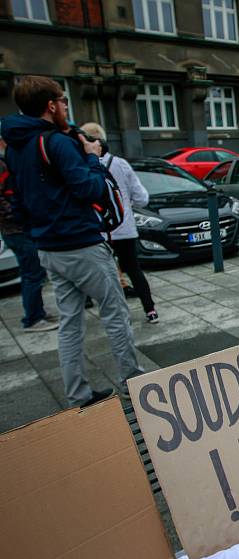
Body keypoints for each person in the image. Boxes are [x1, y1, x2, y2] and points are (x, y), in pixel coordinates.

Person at [3, 76, 144, 407]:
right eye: (63, 100)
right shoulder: (56, 144)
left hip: (48, 247)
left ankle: (78, 394)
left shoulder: (17, 147)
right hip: (80, 243)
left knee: (69, 323)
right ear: (51, 106)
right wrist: (92, 157)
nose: (67, 106)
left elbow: (19, 201)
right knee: (115, 312)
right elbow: (89, 188)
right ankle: (133, 382)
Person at [79, 122, 159, 324]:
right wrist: (127, 202)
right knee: (133, 269)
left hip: (98, 232)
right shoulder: (120, 164)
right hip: (123, 227)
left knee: (105, 276)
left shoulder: (81, 166)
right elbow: (142, 198)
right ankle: (150, 310)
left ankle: (118, 316)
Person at [0, 129, 58, 333]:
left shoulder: (7, 161)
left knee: (33, 271)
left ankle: (37, 312)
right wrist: (20, 215)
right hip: (15, 229)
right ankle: (33, 318)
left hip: (15, 228)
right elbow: (5, 200)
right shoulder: (2, 164)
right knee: (32, 272)